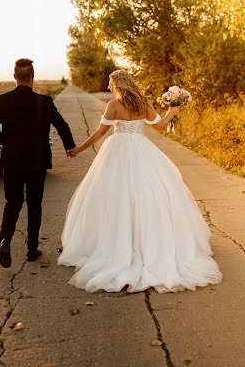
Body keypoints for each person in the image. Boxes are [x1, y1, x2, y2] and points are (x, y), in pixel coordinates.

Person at [58, 70, 222, 294]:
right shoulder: (143, 103)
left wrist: (78, 150)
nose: (108, 86)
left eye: (110, 83)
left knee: (115, 198)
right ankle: (153, 245)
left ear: (116, 84)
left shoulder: (114, 105)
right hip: (142, 149)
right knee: (149, 195)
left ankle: (118, 245)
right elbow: (160, 127)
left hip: (117, 151)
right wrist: (171, 112)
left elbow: (100, 133)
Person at [0, 58, 76, 268]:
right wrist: (69, 146)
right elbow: (61, 125)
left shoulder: (2, 101)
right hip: (37, 162)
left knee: (13, 202)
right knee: (34, 204)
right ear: (32, 78)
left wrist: (7, 144)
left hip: (12, 162)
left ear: (14, 77)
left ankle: (5, 240)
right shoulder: (44, 102)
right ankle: (32, 248)